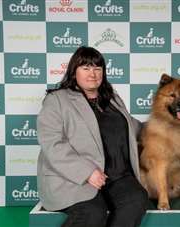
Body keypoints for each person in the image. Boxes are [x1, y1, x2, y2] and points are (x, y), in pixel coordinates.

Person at [36, 46, 149, 227]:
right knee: (92, 213)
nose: (93, 74)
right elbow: (53, 144)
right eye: (86, 68)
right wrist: (87, 172)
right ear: (74, 71)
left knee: (136, 199)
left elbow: (131, 126)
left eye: (97, 68)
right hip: (74, 179)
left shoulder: (112, 98)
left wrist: (164, 128)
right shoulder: (57, 100)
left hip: (117, 177)